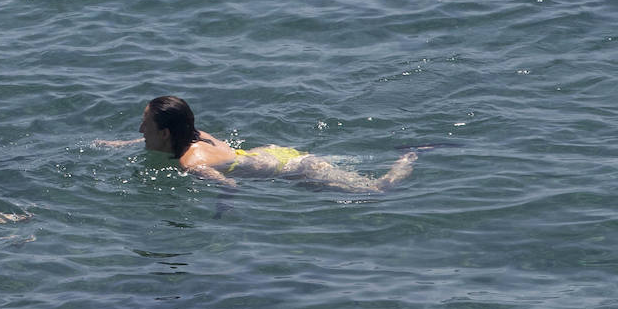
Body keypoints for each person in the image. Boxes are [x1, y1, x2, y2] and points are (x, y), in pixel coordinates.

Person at [98, 95, 419, 191]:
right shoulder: (195, 135)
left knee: (378, 190)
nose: (140, 129)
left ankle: (411, 155)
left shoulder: (191, 163)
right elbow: (148, 141)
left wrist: (222, 212)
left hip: (296, 169)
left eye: (144, 124)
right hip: (276, 155)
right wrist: (119, 144)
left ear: (165, 133)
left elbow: (230, 186)